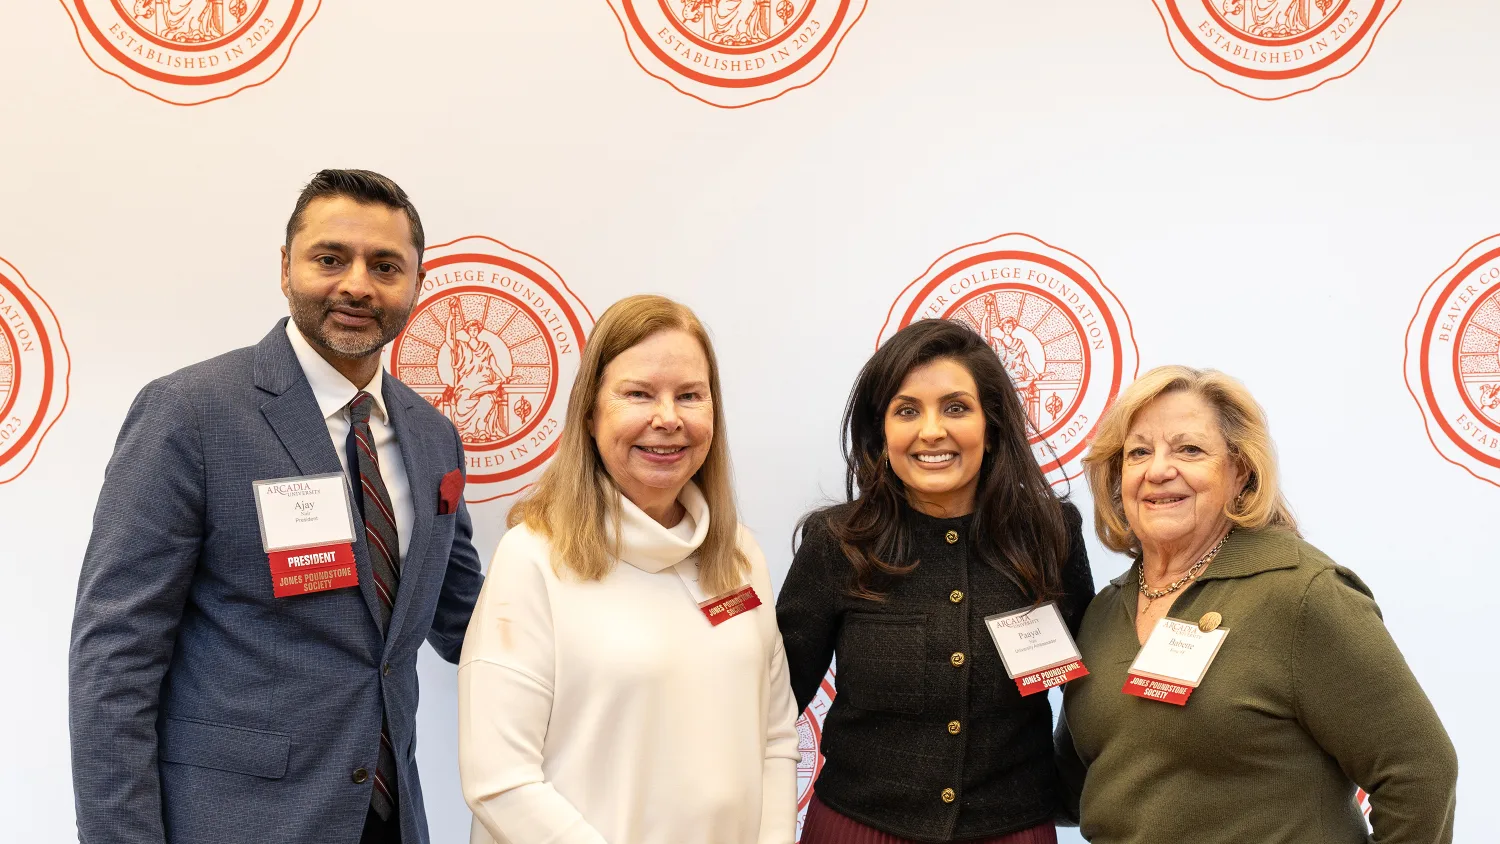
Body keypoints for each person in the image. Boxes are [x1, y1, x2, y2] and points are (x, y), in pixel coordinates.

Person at [69, 169, 485, 844]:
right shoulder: (191, 414)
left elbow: (465, 618)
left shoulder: (432, 436)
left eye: (385, 266)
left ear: (415, 286)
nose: (356, 284)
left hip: (389, 820)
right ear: (285, 267)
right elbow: (114, 660)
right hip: (234, 824)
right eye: (330, 258)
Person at [1054, 365, 1458, 843]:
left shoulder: (1301, 592)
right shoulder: (1103, 612)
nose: (1159, 469)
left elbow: (1422, 773)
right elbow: (1072, 789)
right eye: (1139, 452)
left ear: (1241, 470)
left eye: (1189, 449)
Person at [458, 294, 799, 843]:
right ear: (590, 413)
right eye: (638, 394)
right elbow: (500, 781)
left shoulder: (738, 556)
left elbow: (777, 737)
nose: (667, 418)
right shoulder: (533, 559)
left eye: (689, 395)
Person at [776, 318, 1094, 843]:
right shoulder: (837, 542)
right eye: (907, 411)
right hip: (860, 828)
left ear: (991, 424)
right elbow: (773, 702)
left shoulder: (1050, 534)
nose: (931, 431)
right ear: (882, 433)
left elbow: (1091, 693)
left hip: (1012, 829)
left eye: (955, 407)